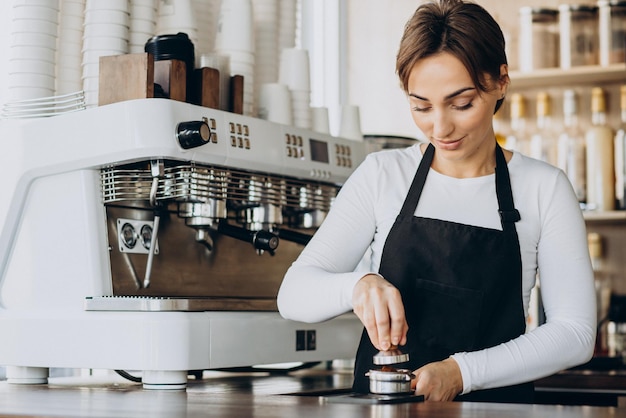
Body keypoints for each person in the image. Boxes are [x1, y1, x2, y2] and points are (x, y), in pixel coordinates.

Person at [277, 0, 596, 403]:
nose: (440, 128)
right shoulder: (382, 175)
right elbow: (293, 295)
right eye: (420, 106)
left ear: (500, 82)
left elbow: (575, 333)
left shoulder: (544, 187)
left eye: (461, 104)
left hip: (496, 411)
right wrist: (359, 285)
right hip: (386, 409)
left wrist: (461, 372)